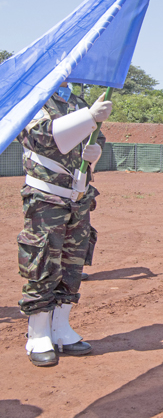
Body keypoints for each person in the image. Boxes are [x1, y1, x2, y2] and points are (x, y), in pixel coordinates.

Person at [16, 81, 112, 366]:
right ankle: (37, 334)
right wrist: (89, 116)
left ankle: (60, 328)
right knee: (44, 261)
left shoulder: (79, 101)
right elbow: (44, 136)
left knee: (73, 263)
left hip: (78, 195)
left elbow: (96, 136)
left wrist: (94, 152)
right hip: (46, 196)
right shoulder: (35, 99)